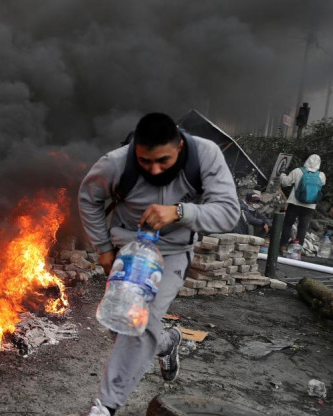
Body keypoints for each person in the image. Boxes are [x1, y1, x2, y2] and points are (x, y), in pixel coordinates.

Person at [78, 113, 239, 415]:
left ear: (179, 146)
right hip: (128, 249)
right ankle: (167, 343)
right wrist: (102, 248)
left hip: (173, 251)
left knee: (140, 322)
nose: (154, 169)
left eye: (163, 161)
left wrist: (180, 212)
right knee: (123, 322)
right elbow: (88, 198)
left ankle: (106, 406)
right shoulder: (116, 162)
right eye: (145, 161)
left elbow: (229, 212)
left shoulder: (205, 156)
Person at [279, 154, 326, 252]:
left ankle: (282, 246)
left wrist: (282, 174)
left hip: (295, 203)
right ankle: (297, 250)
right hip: (310, 206)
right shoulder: (321, 175)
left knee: (288, 224)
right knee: (302, 228)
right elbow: (321, 185)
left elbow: (285, 183)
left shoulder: (298, 171)